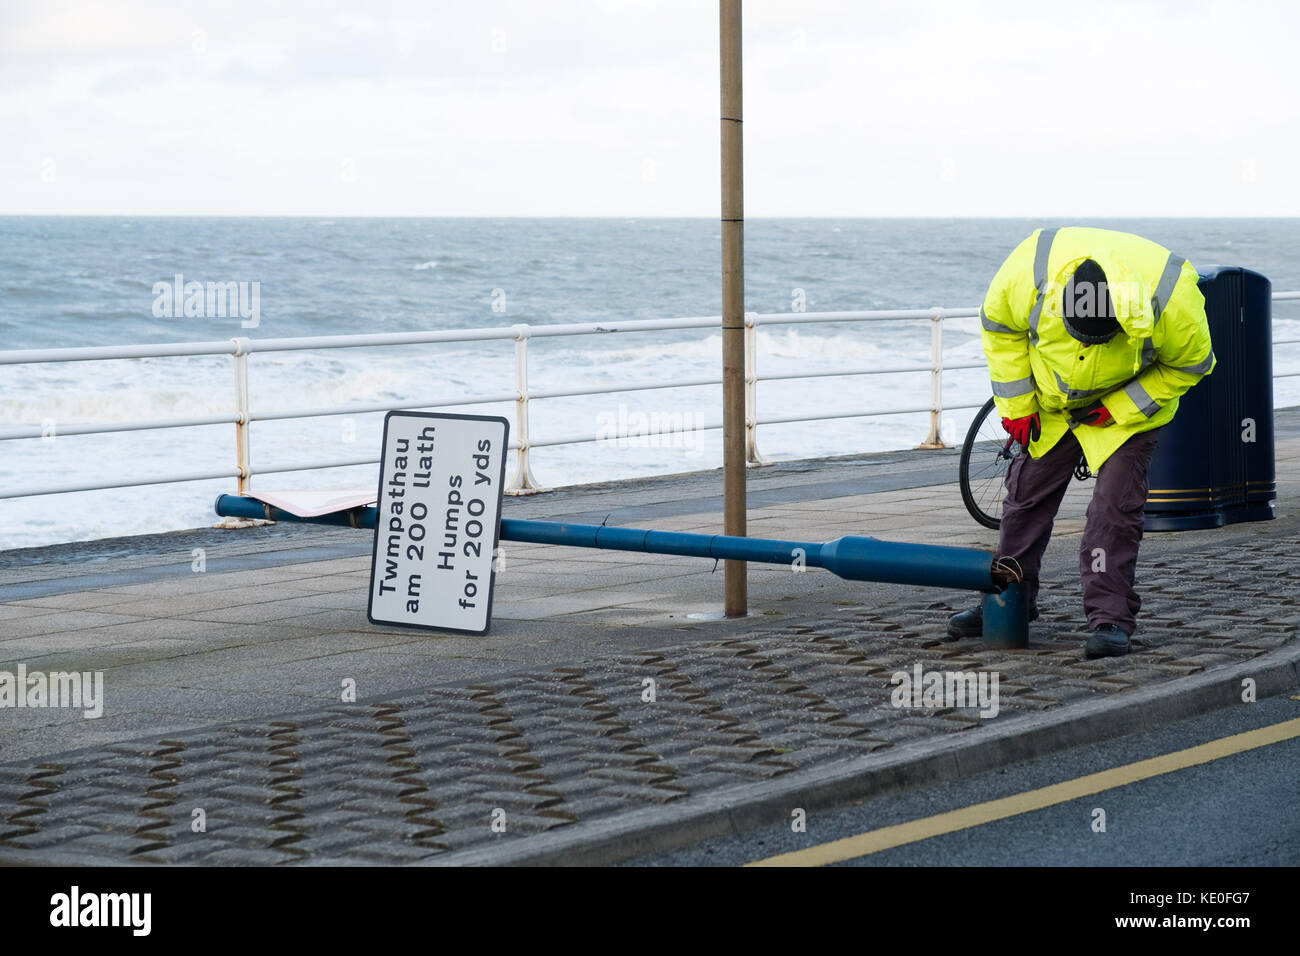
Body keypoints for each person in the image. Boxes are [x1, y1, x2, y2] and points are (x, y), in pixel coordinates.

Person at [948, 226, 1215, 657]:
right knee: (1026, 497)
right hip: (1053, 405)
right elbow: (1000, 329)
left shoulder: (1172, 297)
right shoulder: (1029, 272)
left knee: (1113, 509)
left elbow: (1192, 364)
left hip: (1124, 413)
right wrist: (1017, 407)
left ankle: (1110, 619)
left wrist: (1121, 408)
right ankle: (1007, 602)